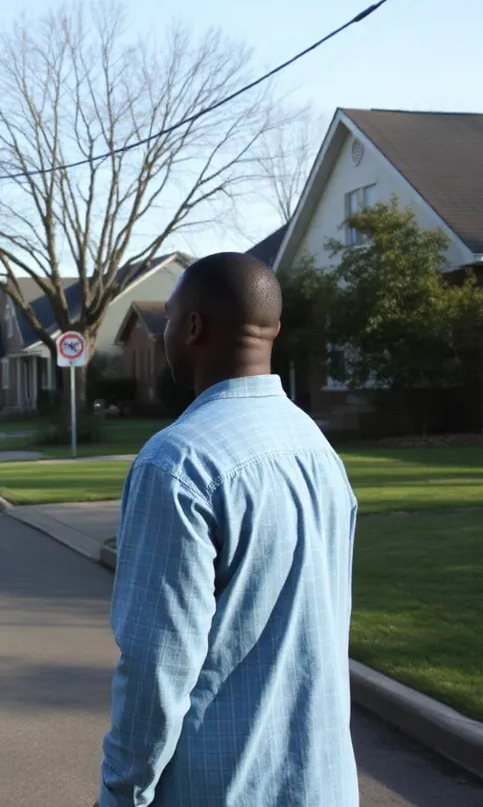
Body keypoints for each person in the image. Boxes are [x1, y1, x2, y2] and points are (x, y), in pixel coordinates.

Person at [97, 254, 358, 807]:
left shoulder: (177, 464)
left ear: (192, 328)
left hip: (219, 787)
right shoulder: (318, 450)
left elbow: (155, 667)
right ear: (274, 330)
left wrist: (121, 794)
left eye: (169, 318)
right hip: (323, 783)